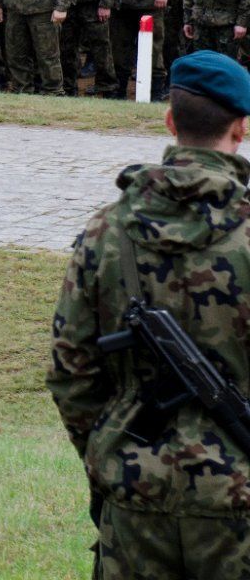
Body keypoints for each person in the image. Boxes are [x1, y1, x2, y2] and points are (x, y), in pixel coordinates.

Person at [49, 50, 250, 577]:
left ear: (169, 120)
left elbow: (71, 373)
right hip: (240, 503)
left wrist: (110, 453)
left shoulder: (105, 231)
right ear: (242, 128)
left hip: (133, 497)